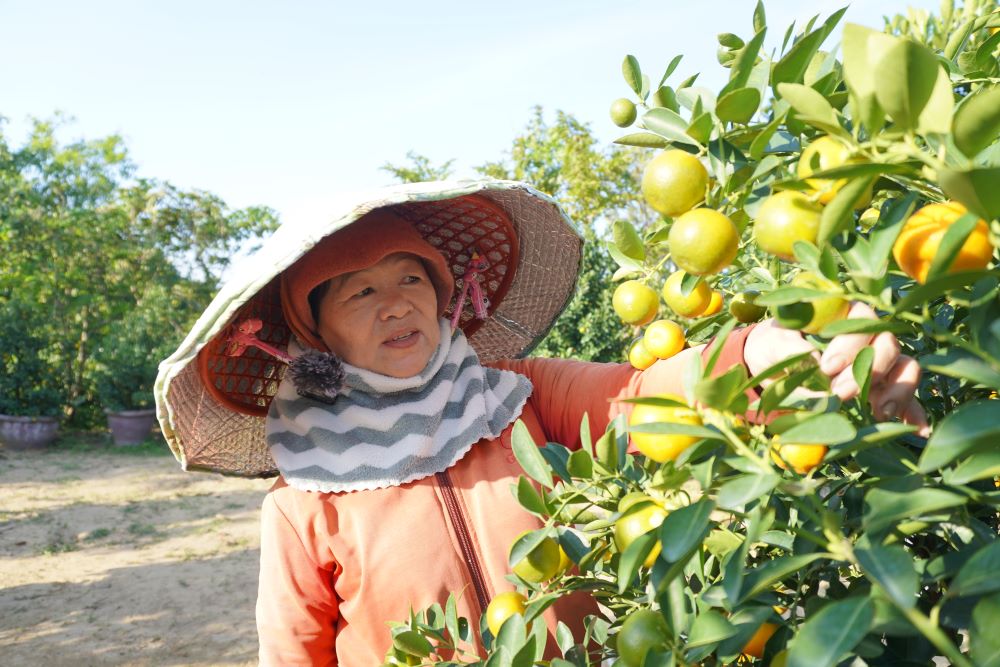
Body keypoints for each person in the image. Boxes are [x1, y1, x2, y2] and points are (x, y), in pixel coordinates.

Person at [155, 180, 928, 666]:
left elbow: (649, 393)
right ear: (316, 331)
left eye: (410, 277)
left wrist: (766, 352)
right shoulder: (305, 501)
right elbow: (294, 652)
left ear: (443, 291)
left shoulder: (521, 394)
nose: (396, 302)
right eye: (358, 293)